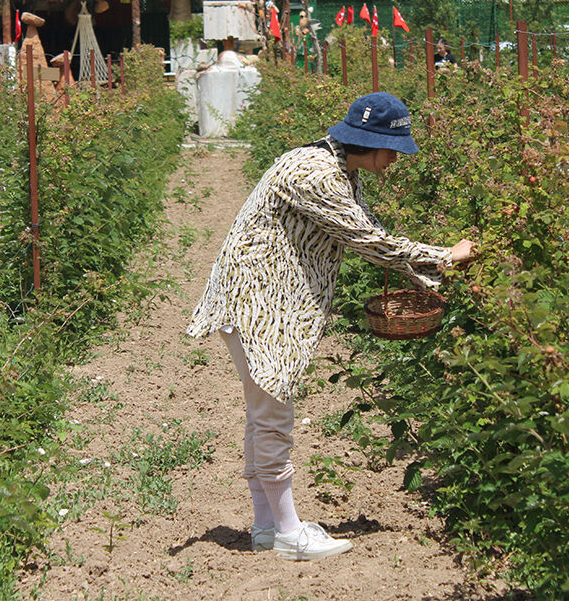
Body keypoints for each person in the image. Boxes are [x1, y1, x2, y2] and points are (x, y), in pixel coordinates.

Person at [187, 92, 474, 561]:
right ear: (375, 143)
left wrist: (426, 263)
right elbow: (364, 238)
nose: (396, 161)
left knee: (263, 412)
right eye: (395, 150)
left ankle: (266, 526)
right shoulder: (313, 173)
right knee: (273, 414)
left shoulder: (337, 167)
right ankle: (286, 533)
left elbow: (365, 223)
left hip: (267, 298)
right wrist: (443, 256)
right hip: (259, 302)